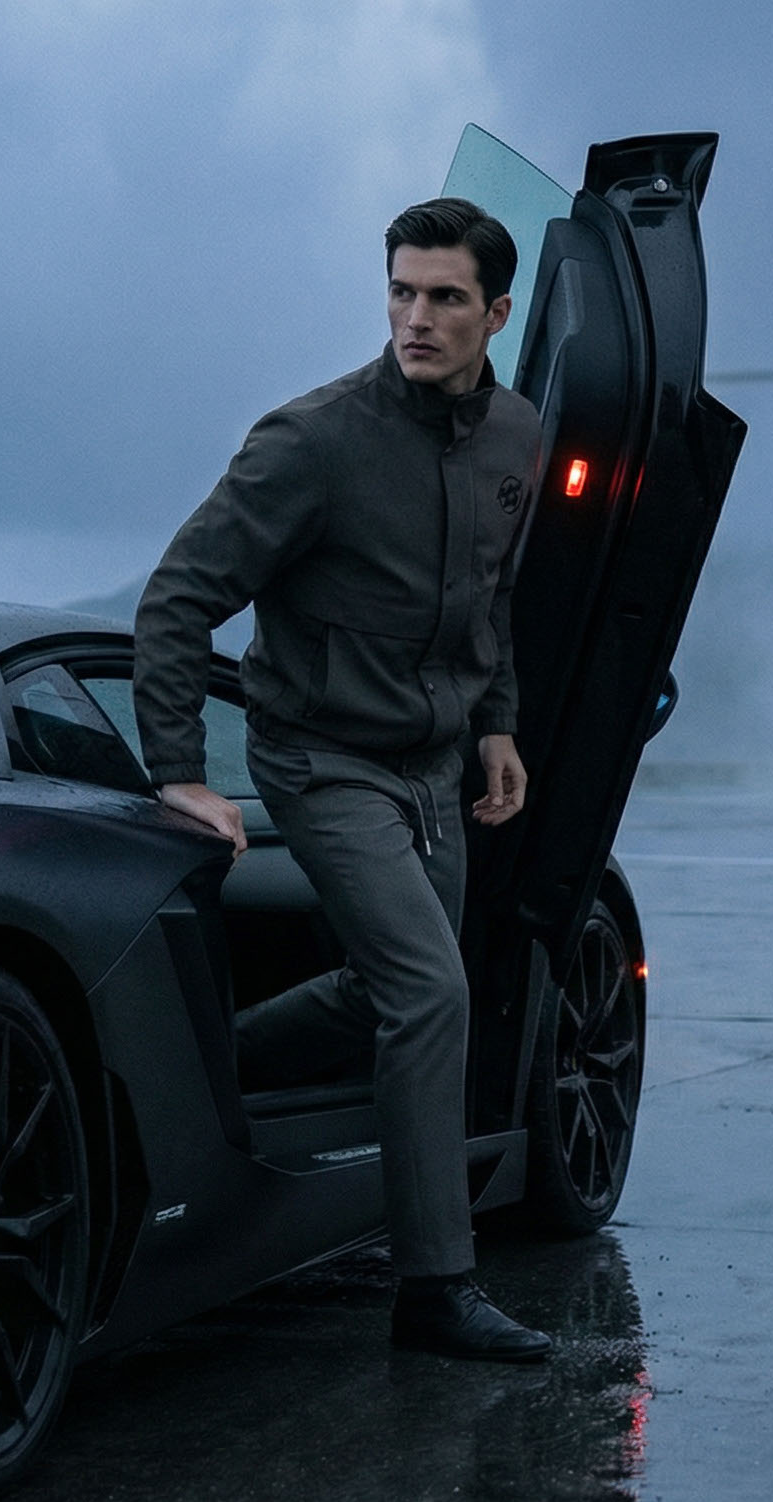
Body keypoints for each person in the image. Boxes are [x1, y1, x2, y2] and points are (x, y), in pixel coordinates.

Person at [131, 196, 549, 1364]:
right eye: (402, 292)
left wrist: (498, 727)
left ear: (495, 314)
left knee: (392, 988)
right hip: (320, 758)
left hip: (433, 763)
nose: (416, 317)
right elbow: (177, 599)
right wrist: (178, 772)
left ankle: (216, 1065)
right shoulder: (311, 441)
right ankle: (435, 1288)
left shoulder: (518, 436)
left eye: (446, 298)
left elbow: (491, 598)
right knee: (430, 994)